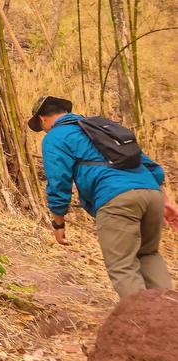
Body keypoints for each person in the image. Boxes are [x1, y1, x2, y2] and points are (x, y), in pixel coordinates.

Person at [29, 96, 177, 298]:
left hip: (116, 199)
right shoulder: (102, 127)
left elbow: (59, 183)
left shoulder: (56, 137)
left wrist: (58, 224)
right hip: (152, 194)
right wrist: (166, 201)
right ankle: (169, 318)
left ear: (43, 119)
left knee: (123, 266)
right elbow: (151, 167)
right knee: (149, 254)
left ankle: (143, 325)